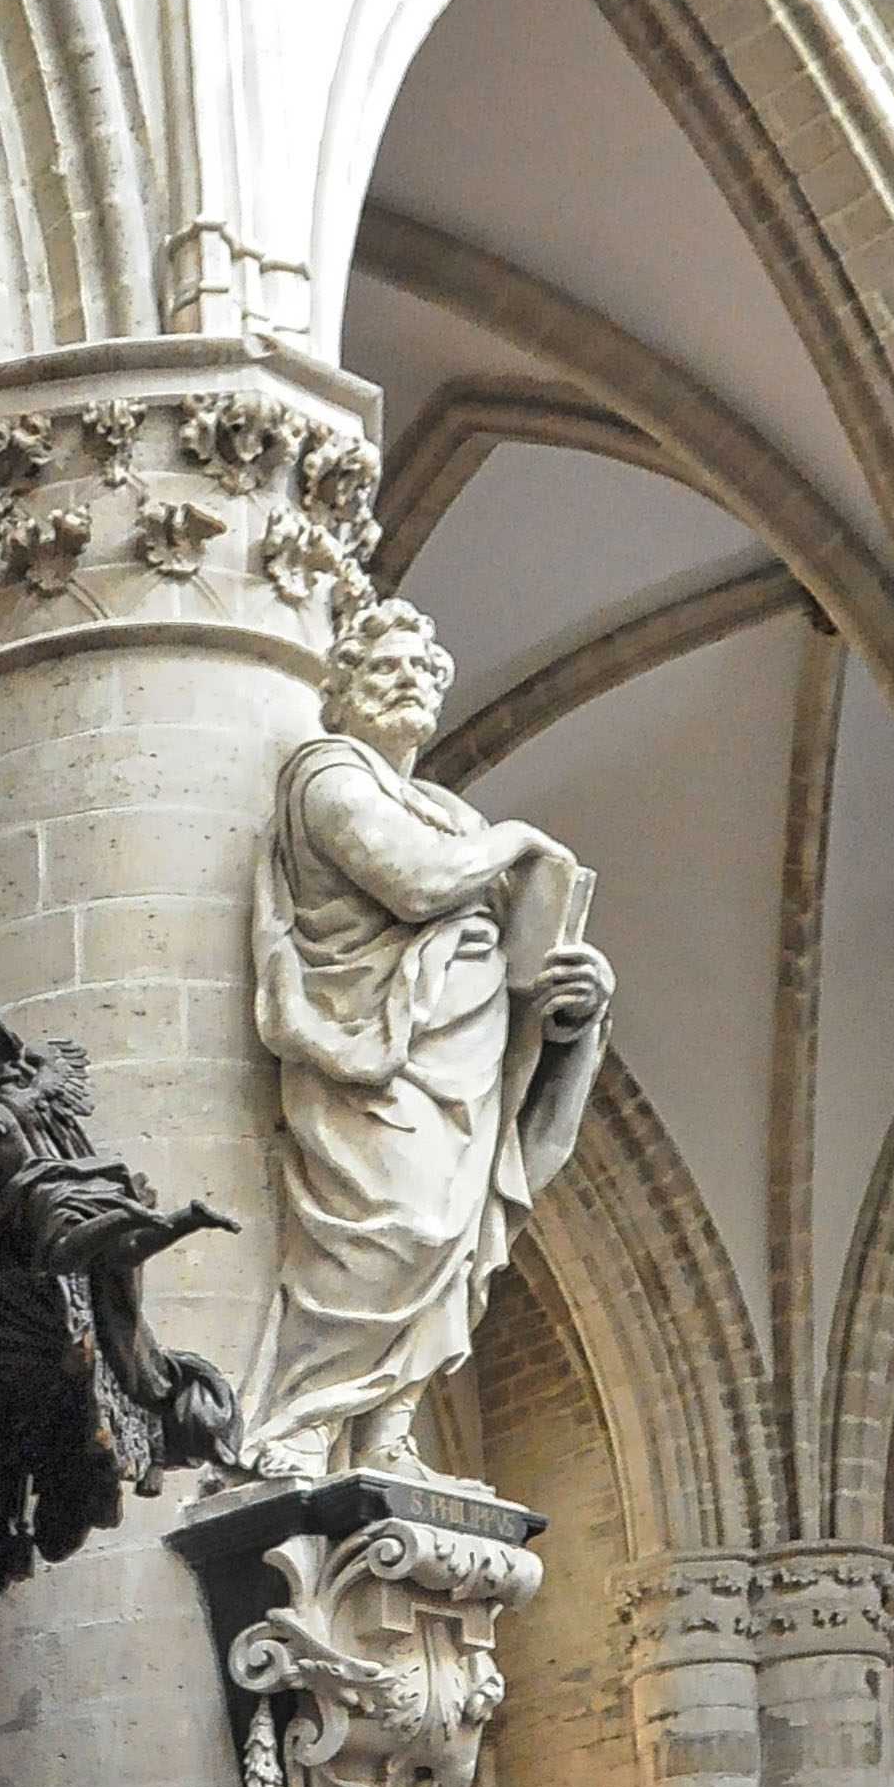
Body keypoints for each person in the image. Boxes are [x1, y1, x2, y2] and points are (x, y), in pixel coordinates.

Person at [242, 595, 614, 1475]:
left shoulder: (451, 812)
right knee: (395, 1225)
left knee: (454, 1236)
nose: (406, 678)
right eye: (384, 666)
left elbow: (518, 946)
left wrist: (577, 995)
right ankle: (300, 1419)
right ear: (342, 691)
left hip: (467, 1051)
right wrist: (517, 837)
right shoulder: (327, 775)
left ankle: (387, 1434)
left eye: (420, 667)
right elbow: (415, 882)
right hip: (373, 1050)